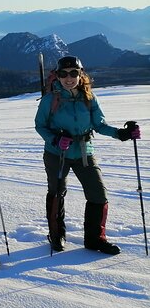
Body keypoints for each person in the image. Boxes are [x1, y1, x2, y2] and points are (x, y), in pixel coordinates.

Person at [35, 55, 141, 255]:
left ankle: (95, 239)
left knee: (98, 194)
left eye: (74, 73)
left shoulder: (89, 97)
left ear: (80, 74)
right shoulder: (50, 99)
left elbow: (99, 125)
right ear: (57, 76)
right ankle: (56, 235)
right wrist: (55, 139)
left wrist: (122, 133)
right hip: (57, 153)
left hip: (84, 151)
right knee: (57, 192)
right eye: (64, 74)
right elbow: (40, 126)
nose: (69, 78)